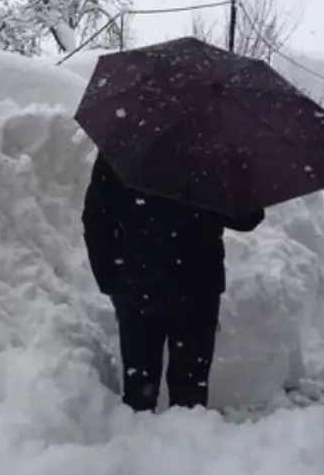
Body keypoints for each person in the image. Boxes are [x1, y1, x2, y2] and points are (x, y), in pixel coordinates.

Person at [82, 152, 264, 412]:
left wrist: (109, 277)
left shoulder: (128, 144)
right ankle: (178, 443)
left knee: (141, 393)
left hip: (146, 284)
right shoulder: (213, 148)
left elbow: (97, 215)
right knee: (186, 395)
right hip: (191, 286)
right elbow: (248, 217)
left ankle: (139, 442)